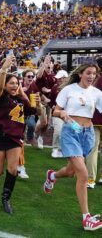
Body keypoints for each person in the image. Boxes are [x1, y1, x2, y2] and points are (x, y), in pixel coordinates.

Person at [43, 63, 102, 231]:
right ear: (81, 74)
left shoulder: (96, 93)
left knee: (70, 172)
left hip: (87, 134)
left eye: (94, 74)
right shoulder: (68, 90)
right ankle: (87, 218)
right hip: (70, 133)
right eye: (88, 73)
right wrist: (61, 113)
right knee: (83, 174)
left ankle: (52, 175)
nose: (91, 76)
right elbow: (55, 110)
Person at [0, 56, 42, 214]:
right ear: (6, 85)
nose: (15, 85)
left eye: (16, 83)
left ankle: (6, 198)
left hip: (15, 139)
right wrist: (4, 69)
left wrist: (39, 105)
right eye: (11, 83)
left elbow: (35, 112)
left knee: (13, 169)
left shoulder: (22, 99)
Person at [86, 57, 102, 189]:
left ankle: (90, 179)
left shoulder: (93, 80)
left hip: (94, 118)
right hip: (95, 118)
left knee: (93, 149)